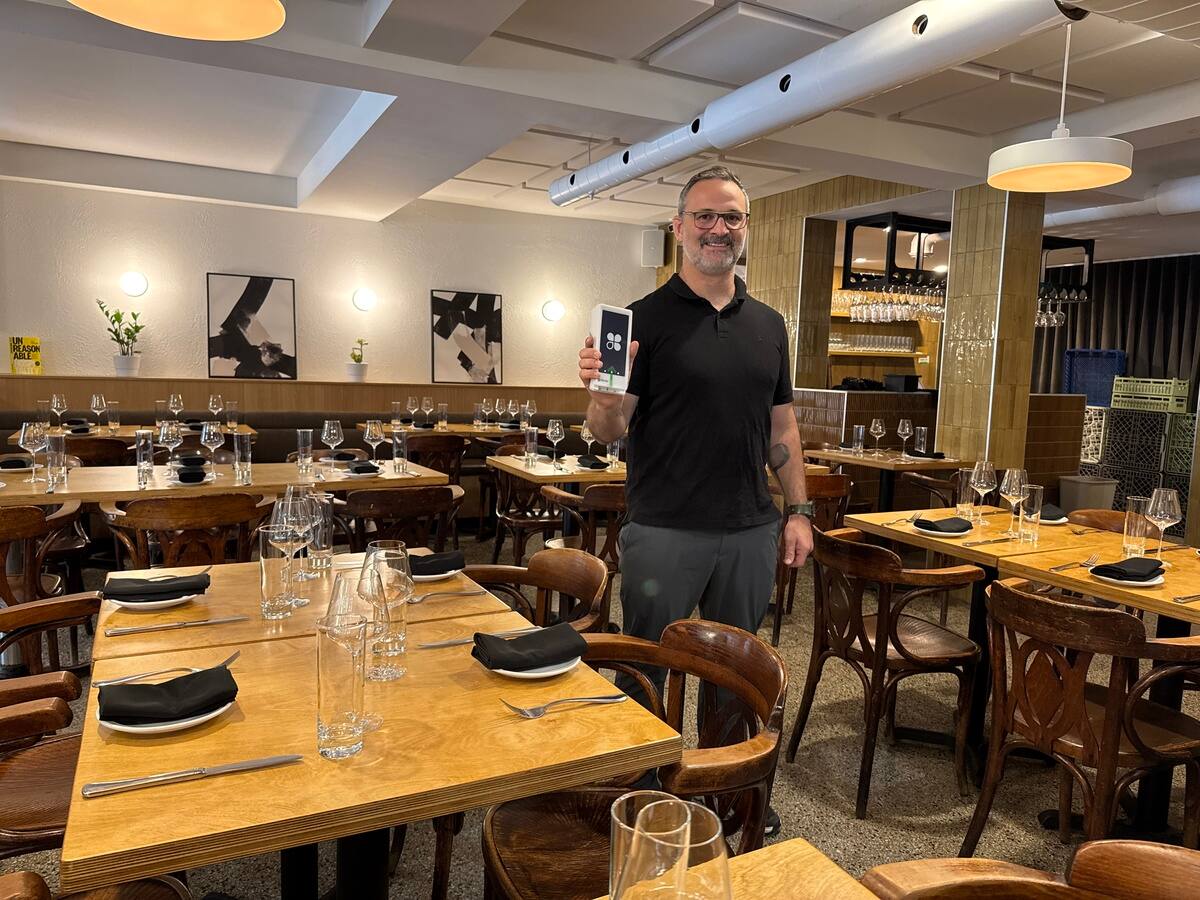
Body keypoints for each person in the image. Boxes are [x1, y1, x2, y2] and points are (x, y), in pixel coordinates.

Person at [577, 165, 813, 836]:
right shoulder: (641, 320)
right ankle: (643, 793)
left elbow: (783, 429)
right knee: (647, 667)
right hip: (664, 530)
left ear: (745, 228)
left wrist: (799, 511)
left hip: (749, 530)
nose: (718, 228)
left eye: (731, 217)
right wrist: (600, 394)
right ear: (678, 227)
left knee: (735, 675)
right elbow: (608, 430)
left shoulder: (770, 325)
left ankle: (726, 793)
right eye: (705, 216)